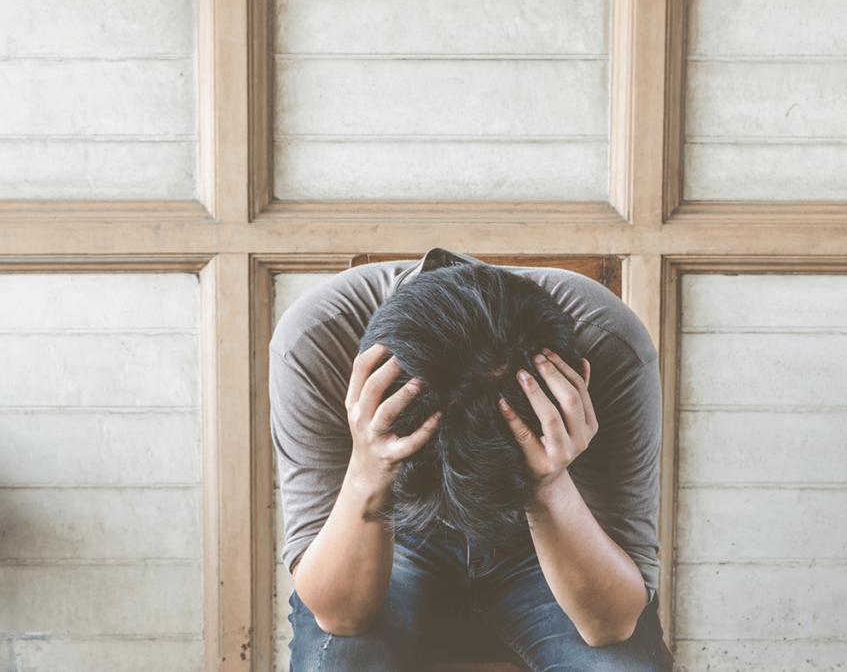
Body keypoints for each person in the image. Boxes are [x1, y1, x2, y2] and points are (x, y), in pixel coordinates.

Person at [270, 248, 668, 672]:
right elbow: (340, 616)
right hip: (395, 528)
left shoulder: (609, 340)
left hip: (553, 528)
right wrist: (369, 470)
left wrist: (547, 482)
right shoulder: (317, 339)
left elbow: (610, 626)